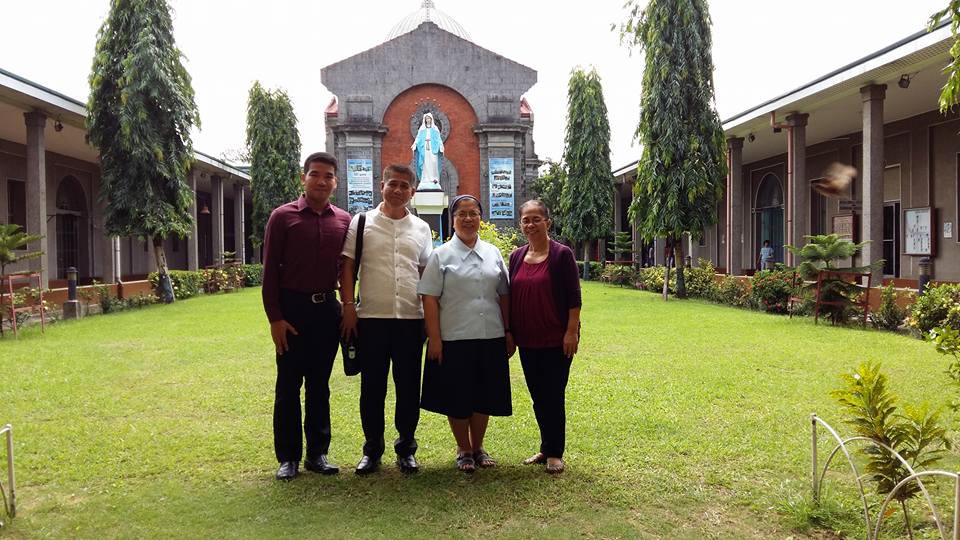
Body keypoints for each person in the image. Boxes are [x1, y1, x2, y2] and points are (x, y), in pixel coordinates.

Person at [262, 151, 351, 480]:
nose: (321, 181)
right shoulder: (282, 217)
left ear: (335, 181)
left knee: (319, 385)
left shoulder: (343, 220)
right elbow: (270, 271)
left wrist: (347, 305)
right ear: (304, 178)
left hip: (327, 310)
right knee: (288, 384)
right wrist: (275, 318)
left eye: (328, 176)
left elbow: (346, 269)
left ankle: (317, 453)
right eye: (315, 174)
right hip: (292, 311)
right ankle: (288, 458)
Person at [340, 164, 433, 475]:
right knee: (373, 387)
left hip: (410, 318)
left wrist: (431, 319)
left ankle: (406, 447)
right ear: (382, 185)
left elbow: (425, 273)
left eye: (404, 186)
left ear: (412, 192)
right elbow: (348, 265)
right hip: (371, 319)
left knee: (408, 387)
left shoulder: (421, 229)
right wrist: (349, 305)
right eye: (392, 183)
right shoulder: (361, 222)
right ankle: (372, 449)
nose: (397, 190)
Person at [418, 195, 513, 473]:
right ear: (453, 219)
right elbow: (429, 298)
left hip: (490, 335)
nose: (468, 219)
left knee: (484, 394)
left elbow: (504, 294)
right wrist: (434, 338)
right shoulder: (441, 255)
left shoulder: (493, 253)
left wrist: (508, 330)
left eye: (473, 213)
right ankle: (463, 448)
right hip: (454, 337)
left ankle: (478, 446)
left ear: (481, 218)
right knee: (457, 395)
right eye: (462, 214)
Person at [509, 200, 582, 474]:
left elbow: (574, 297)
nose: (531, 224)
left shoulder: (562, 255)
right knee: (538, 396)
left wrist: (571, 331)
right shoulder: (516, 256)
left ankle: (555, 453)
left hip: (557, 339)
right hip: (527, 340)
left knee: (553, 394)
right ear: (521, 224)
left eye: (536, 218)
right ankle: (545, 446)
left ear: (547, 222)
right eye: (526, 219)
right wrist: (510, 332)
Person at [410, 113, 444, 191]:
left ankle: (434, 179)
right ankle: (425, 180)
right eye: (426, 119)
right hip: (424, 150)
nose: (428, 120)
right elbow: (418, 139)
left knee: (433, 163)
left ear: (431, 119)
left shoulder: (435, 129)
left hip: (433, 150)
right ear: (424, 120)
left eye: (429, 119)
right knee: (425, 164)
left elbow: (438, 139)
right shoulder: (422, 130)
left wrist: (441, 146)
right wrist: (415, 144)